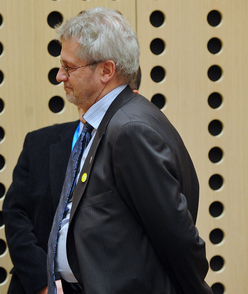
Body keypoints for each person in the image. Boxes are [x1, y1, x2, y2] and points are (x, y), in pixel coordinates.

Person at [46, 7, 212, 294]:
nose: (60, 76)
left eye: (70, 67)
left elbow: (177, 237)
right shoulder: (109, 121)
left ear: (106, 71)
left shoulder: (130, 130)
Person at [3, 66, 141, 294]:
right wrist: (44, 282)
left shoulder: (138, 152)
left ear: (131, 98)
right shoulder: (39, 142)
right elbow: (16, 214)